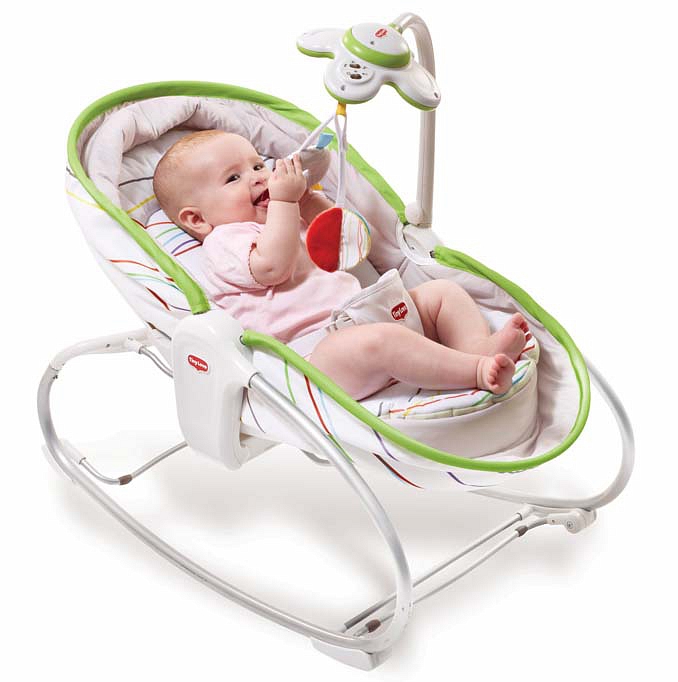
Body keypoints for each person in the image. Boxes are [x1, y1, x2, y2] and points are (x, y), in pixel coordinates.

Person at [153, 129, 530, 400]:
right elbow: (272, 268)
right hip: (318, 357)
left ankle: (477, 348)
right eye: (234, 178)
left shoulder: (285, 215)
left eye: (257, 165)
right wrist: (285, 203)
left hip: (366, 314)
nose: (257, 178)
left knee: (441, 293)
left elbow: (342, 243)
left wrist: (307, 200)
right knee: (382, 342)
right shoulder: (224, 242)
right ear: (197, 219)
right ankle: (475, 372)